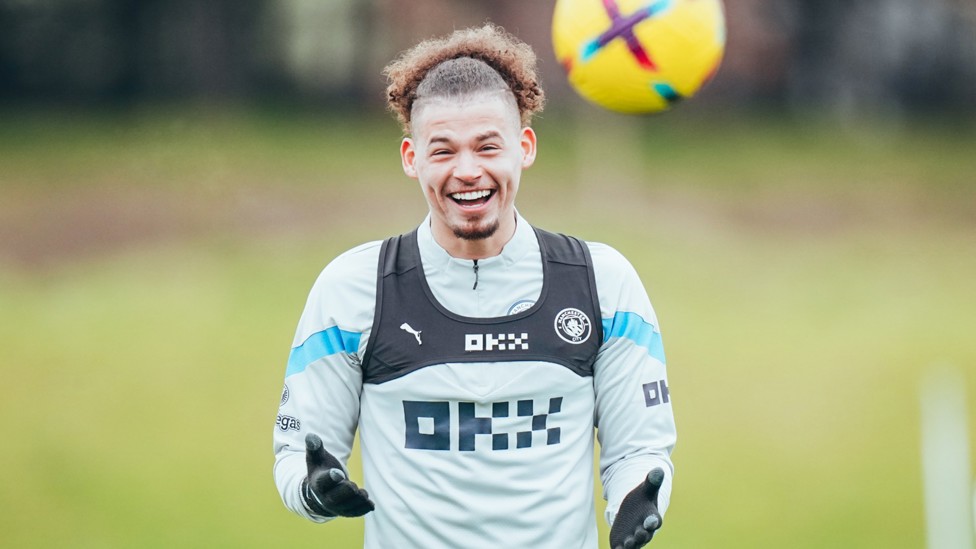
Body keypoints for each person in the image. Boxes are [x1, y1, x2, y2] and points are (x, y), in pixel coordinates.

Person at [273, 23, 676, 549]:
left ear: (524, 147)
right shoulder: (353, 290)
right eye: (443, 151)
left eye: (488, 146)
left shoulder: (602, 282)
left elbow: (638, 451)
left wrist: (635, 503)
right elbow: (296, 454)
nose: (468, 170)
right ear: (411, 158)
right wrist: (314, 491)